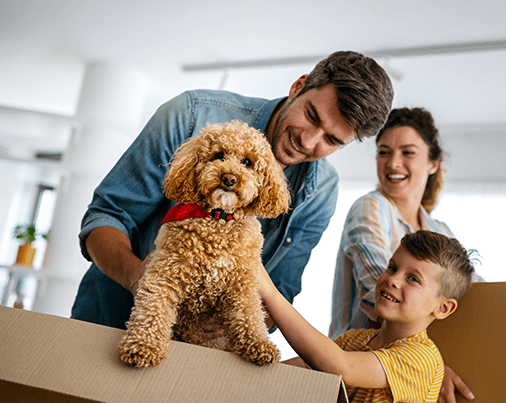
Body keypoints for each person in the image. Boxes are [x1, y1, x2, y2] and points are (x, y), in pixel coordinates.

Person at [70, 51, 394, 332]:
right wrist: (138, 278)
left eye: (332, 141)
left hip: (202, 359)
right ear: (299, 86)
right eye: (311, 116)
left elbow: (282, 287)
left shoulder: (322, 190)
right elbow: (107, 216)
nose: (308, 142)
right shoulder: (190, 116)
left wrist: (234, 324)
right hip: (110, 321)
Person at [329, 107, 476, 403]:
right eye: (384, 152)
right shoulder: (371, 207)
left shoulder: (441, 232)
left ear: (433, 163)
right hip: (355, 367)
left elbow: (477, 296)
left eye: (408, 152)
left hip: (402, 379)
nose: (393, 163)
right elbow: (378, 291)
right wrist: (433, 366)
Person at [259, 230, 475, 403]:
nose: (393, 280)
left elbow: (339, 366)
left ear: (443, 308)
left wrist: (269, 293)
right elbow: (287, 371)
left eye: (412, 279)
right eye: (392, 267)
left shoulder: (422, 359)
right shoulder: (354, 341)